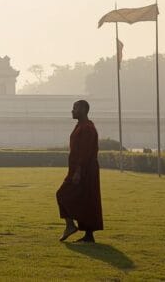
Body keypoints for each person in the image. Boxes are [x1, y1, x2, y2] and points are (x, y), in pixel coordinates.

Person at [57, 100, 103, 243]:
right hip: (80, 168)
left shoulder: (87, 128)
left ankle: (71, 226)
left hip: (84, 169)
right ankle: (88, 235)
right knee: (86, 199)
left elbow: (85, 152)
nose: (72, 111)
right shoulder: (82, 126)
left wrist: (78, 171)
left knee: (63, 194)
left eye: (75, 108)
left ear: (83, 110)